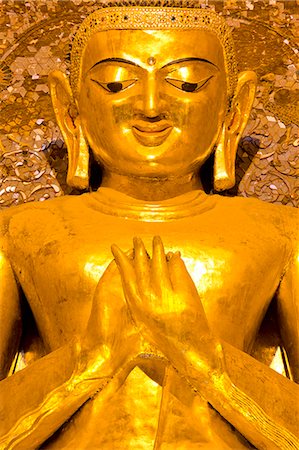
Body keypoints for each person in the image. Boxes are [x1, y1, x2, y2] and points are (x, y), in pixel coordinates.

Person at [0, 2, 298, 449]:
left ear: (233, 110)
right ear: (70, 107)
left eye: (188, 83)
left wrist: (206, 359)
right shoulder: (19, 232)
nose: (151, 107)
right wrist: (89, 358)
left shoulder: (283, 233)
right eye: (117, 83)